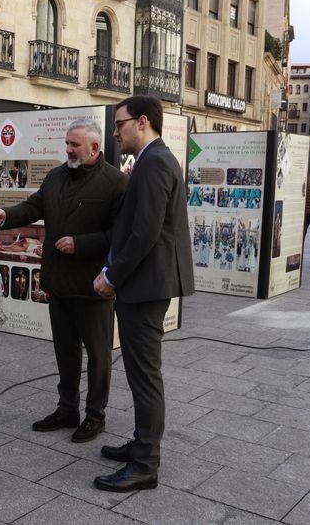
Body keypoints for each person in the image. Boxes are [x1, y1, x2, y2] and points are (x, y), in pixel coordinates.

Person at [0, 118, 128, 444]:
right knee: (66, 351)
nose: (68, 149)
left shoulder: (115, 182)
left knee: (99, 355)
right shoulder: (56, 176)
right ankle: (67, 409)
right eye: (67, 143)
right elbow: (33, 207)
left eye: (75, 144)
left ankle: (95, 415)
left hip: (94, 285)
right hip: (58, 281)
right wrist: (4, 215)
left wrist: (82, 243)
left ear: (94, 147)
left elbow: (121, 234)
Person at [92, 96, 194, 492]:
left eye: (120, 124)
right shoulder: (155, 160)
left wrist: (111, 277)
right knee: (140, 372)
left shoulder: (154, 163)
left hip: (145, 285)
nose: (115, 132)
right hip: (149, 282)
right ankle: (141, 445)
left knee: (144, 376)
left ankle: (145, 464)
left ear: (143, 122)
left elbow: (145, 234)